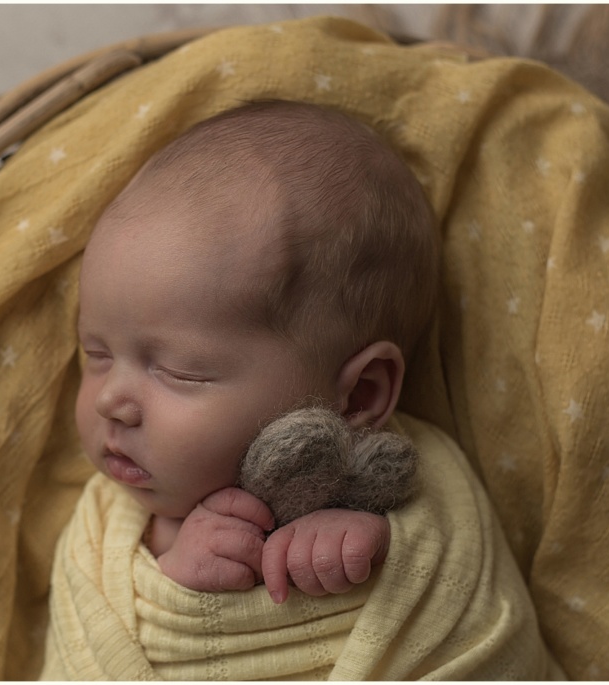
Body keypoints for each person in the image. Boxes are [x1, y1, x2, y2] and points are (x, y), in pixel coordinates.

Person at [73, 99, 437, 603]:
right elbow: (97, 621)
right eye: (97, 354)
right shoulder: (109, 520)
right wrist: (170, 574)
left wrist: (371, 545)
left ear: (358, 396)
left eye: (180, 371)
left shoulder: (410, 483)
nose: (109, 401)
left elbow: (448, 574)